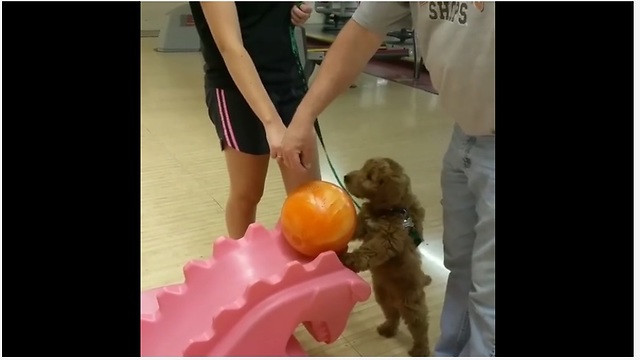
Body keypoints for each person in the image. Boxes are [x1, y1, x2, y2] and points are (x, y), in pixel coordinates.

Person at [278, 2, 495, 357]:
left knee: (490, 292)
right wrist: (304, 117)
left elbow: (383, 245)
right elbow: (361, 32)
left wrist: (356, 258)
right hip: (465, 133)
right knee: (463, 267)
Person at [189, 2, 321, 239]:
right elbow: (229, 46)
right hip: (236, 88)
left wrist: (302, 5)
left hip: (287, 78)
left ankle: (307, 268)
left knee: (309, 198)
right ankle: (243, 265)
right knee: (247, 193)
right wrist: (271, 123)